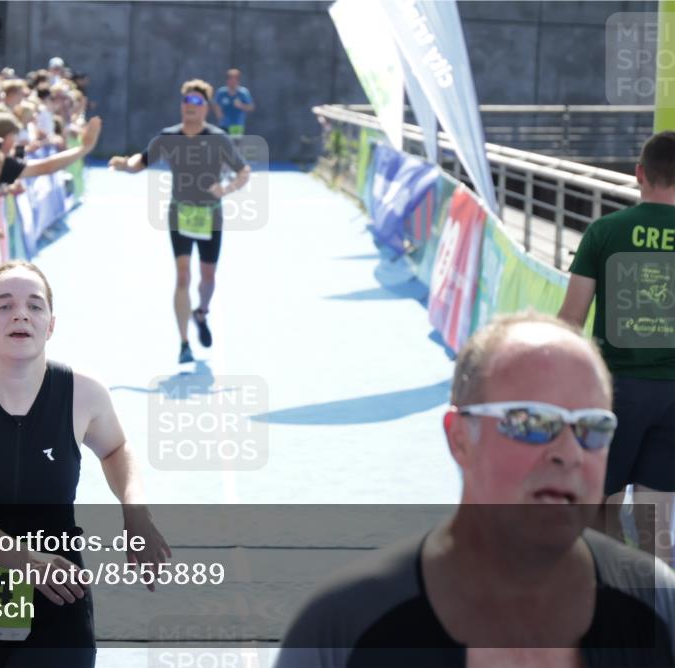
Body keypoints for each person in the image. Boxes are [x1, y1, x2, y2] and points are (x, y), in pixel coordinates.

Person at [276, 312, 675, 667]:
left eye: (592, 427)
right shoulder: (343, 628)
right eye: (531, 422)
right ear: (459, 438)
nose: (569, 453)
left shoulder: (658, 602)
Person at [0, 261, 170, 666]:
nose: (21, 314)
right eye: (4, 305)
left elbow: (116, 449)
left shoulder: (84, 392)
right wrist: (28, 563)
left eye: (35, 306)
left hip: (59, 597)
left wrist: (134, 510)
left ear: (50, 325)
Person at [559, 130, 675, 565]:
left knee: (601, 508)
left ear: (639, 174)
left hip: (615, 390)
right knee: (655, 521)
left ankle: (604, 605)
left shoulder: (604, 231)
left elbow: (571, 319)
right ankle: (660, 616)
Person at [108, 79, 251, 363]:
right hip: (180, 212)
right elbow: (142, 161)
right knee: (183, 275)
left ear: (206, 108)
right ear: (181, 106)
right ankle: (184, 343)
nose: (190, 106)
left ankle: (202, 312)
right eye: (186, 101)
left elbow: (243, 172)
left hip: (210, 214)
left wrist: (225, 189)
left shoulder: (218, 138)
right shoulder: (168, 137)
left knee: (208, 275)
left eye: (197, 102)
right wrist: (126, 165)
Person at [212, 68, 254, 137]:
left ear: (238, 80)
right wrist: (219, 115)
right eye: (230, 79)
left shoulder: (243, 93)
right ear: (227, 80)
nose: (232, 81)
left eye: (235, 79)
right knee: (224, 144)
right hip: (224, 124)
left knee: (235, 145)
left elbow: (251, 107)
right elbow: (216, 104)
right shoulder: (221, 92)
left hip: (237, 125)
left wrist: (241, 105)